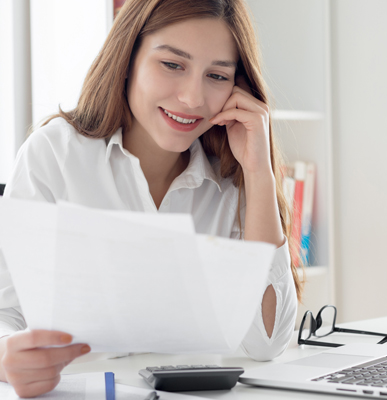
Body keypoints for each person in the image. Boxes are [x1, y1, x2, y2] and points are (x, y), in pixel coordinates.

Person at [0, 0, 303, 397]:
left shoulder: (233, 173)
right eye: (172, 65)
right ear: (128, 58)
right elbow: (7, 311)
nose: (193, 98)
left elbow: (265, 343)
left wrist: (260, 174)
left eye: (216, 75)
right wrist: (6, 356)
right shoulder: (54, 155)